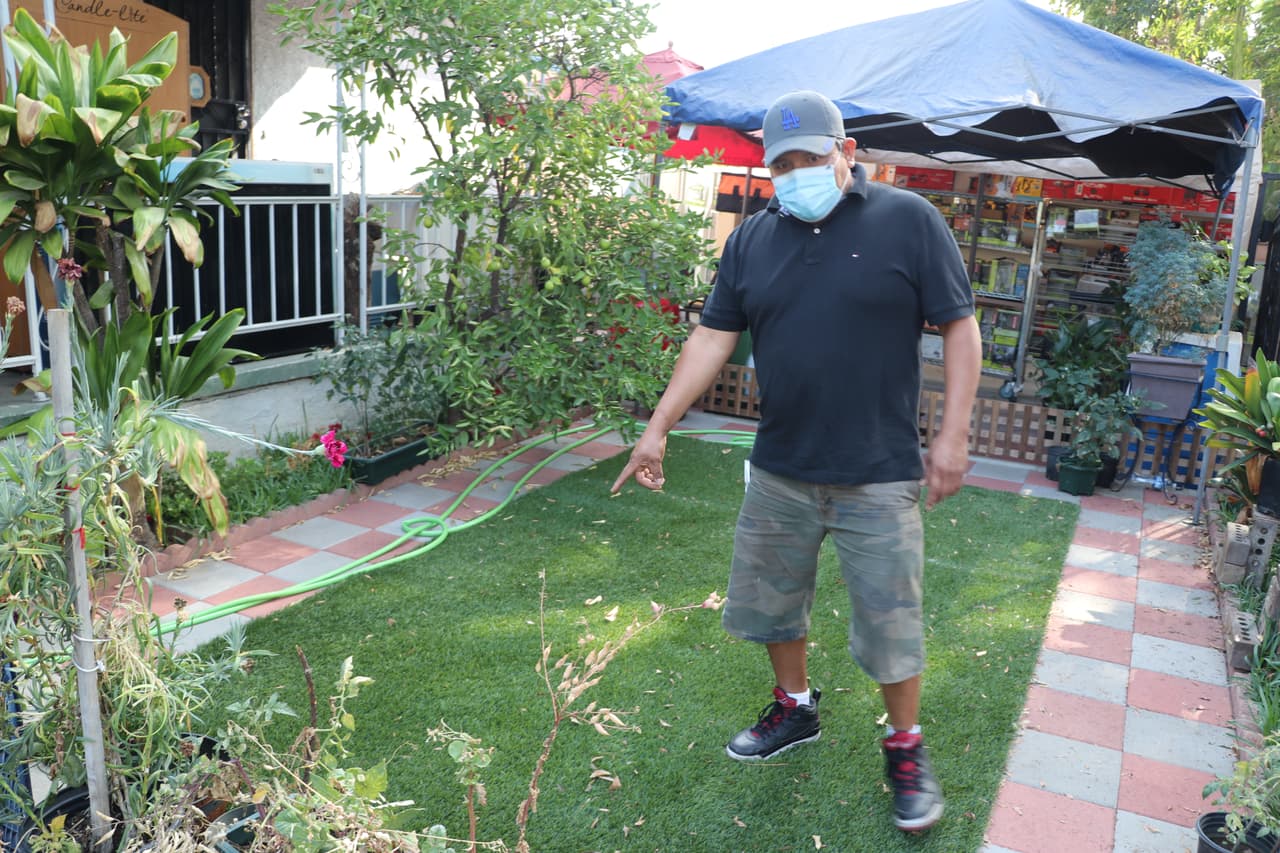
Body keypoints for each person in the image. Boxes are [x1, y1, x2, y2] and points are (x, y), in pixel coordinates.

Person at [609, 90, 981, 833]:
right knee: (773, 600)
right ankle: (795, 706)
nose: (795, 174)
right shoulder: (753, 239)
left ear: (846, 153)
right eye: (781, 165)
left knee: (890, 619)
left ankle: (905, 745)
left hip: (879, 470)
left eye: (810, 157)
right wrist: (657, 427)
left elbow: (959, 325)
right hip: (781, 465)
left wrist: (953, 434)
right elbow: (712, 336)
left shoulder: (909, 220)